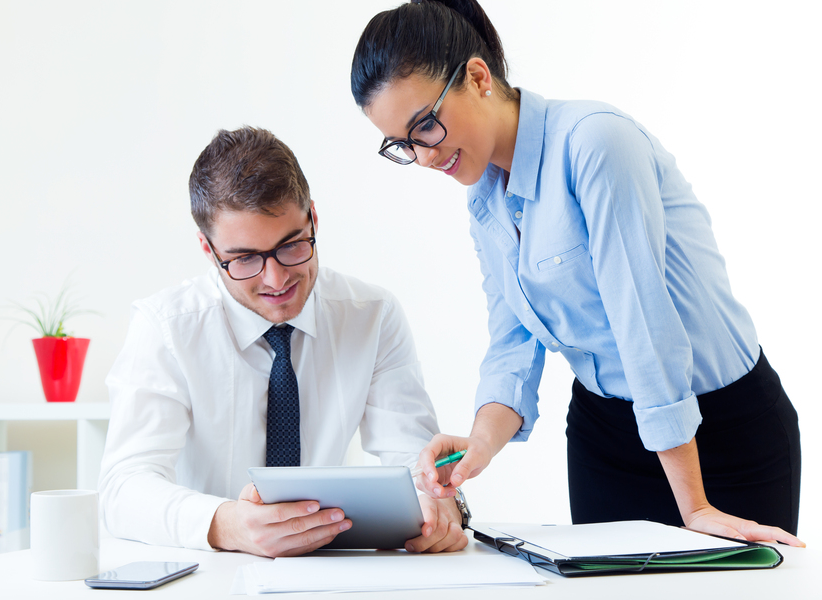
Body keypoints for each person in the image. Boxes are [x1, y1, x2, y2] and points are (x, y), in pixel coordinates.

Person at [351, 0, 803, 546]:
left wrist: (696, 505)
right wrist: (478, 445)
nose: (423, 157)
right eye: (402, 144)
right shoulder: (485, 199)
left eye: (425, 125)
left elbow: (644, 326)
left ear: (477, 75)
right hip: (606, 437)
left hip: (722, 435)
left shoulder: (595, 143)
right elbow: (513, 343)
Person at [98, 126, 467, 557]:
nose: (276, 280)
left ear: (313, 218)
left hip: (333, 571)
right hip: (209, 574)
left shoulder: (372, 314)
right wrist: (226, 525)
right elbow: (123, 488)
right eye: (244, 259)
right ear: (207, 248)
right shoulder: (166, 328)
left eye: (291, 245)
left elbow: (413, 461)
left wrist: (435, 505)